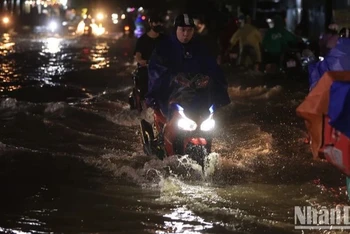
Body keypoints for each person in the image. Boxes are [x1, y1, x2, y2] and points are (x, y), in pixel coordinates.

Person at [145, 13, 230, 118]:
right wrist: (174, 78)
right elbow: (156, 73)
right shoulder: (163, 48)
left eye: (189, 30)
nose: (186, 34)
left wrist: (208, 78)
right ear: (176, 29)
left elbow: (213, 68)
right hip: (171, 95)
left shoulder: (200, 47)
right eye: (183, 30)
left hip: (197, 93)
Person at [133, 15, 165, 98]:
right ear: (150, 24)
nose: (158, 25)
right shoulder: (142, 40)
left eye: (160, 23)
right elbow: (138, 56)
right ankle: (144, 102)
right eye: (156, 23)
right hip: (147, 69)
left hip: (161, 69)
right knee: (144, 83)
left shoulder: (165, 39)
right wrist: (143, 61)